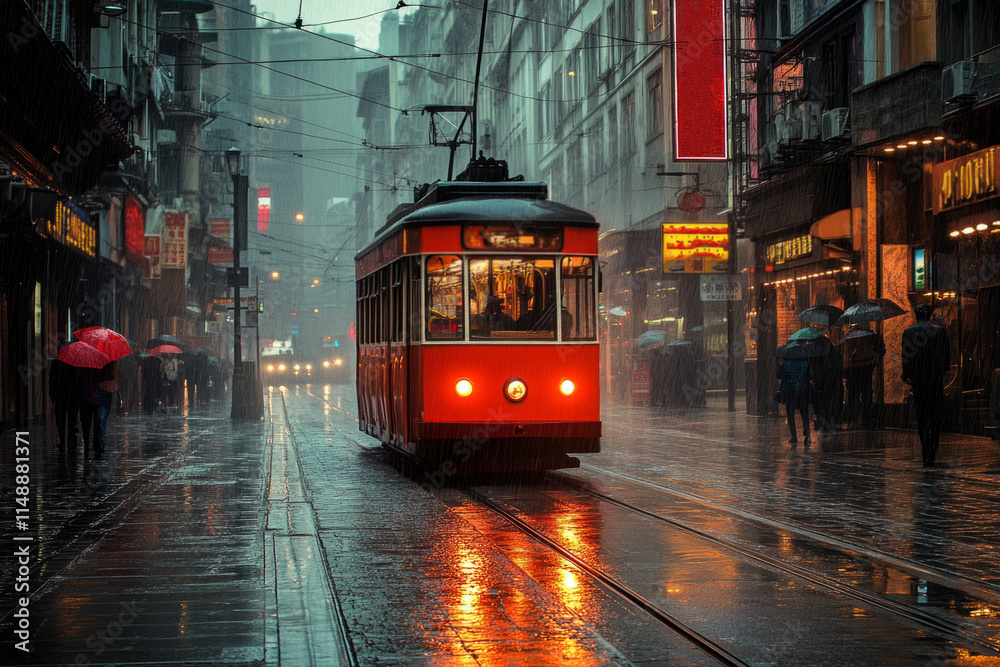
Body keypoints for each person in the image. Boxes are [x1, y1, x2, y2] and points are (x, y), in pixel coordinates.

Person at [902, 304, 951, 467]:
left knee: (921, 413)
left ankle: (925, 446)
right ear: (930, 315)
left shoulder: (909, 332)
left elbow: (906, 356)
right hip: (934, 378)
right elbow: (946, 358)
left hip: (918, 379)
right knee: (936, 412)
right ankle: (934, 442)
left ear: (916, 316)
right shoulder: (940, 332)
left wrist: (907, 374)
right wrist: (941, 369)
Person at [842, 325, 885, 428]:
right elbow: (880, 350)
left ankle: (855, 418)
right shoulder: (870, 334)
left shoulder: (850, 336)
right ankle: (866, 418)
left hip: (854, 367)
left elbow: (847, 354)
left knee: (854, 394)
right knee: (866, 393)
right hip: (866, 365)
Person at [80, 361, 115, 458]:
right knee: (100, 422)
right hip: (101, 394)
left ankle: (88, 444)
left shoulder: (85, 362)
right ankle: (99, 446)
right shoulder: (107, 361)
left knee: (87, 423)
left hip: (88, 395)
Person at [778, 353, 814, 445]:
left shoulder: (784, 365)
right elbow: (811, 376)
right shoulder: (805, 364)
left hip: (790, 391)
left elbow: (779, 376)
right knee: (804, 412)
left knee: (790, 413)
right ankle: (807, 433)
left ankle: (794, 436)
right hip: (803, 390)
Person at [49, 352, 82, 448]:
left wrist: (53, 395)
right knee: (71, 419)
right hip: (72, 396)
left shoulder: (55, 363)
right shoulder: (74, 364)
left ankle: (62, 440)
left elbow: (52, 380)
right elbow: (78, 381)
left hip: (60, 396)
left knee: (60, 420)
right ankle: (70, 438)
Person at [811, 336, 843, 431]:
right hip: (833, 381)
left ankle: (823, 422)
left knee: (821, 403)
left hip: (821, 381)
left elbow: (813, 366)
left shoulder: (816, 354)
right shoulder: (834, 352)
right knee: (833, 403)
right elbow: (839, 366)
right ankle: (833, 423)